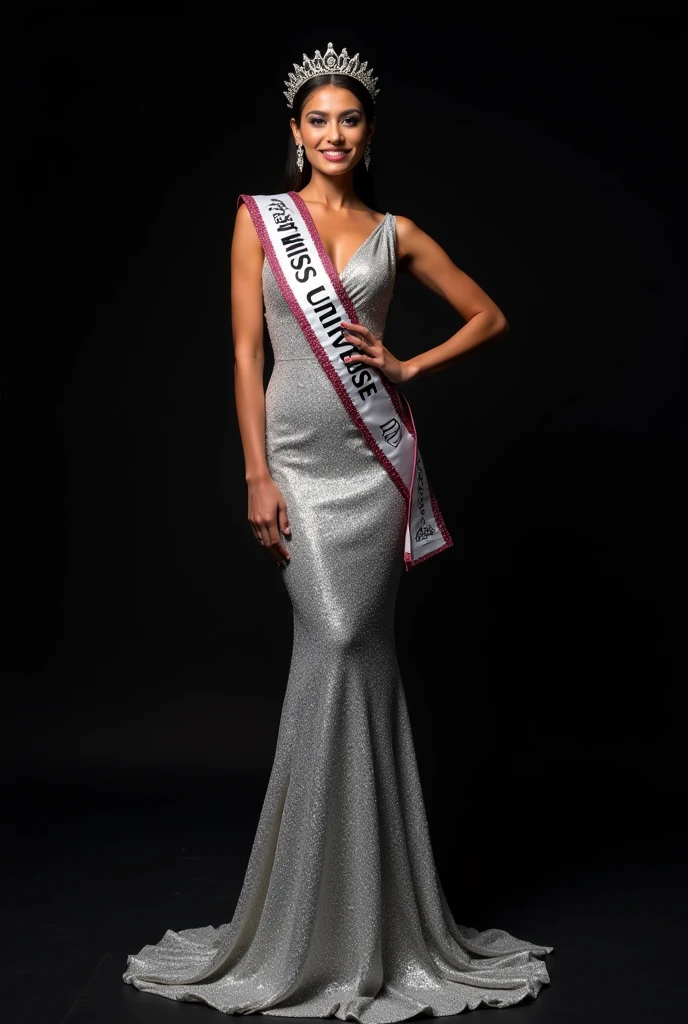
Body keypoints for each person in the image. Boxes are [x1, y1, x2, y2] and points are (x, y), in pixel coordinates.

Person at [123, 42, 553, 1021]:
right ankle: (303, 918)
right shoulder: (259, 224)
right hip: (299, 473)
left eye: (348, 120)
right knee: (332, 646)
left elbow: (487, 315)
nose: (332, 134)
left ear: (366, 133)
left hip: (372, 469)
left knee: (359, 652)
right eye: (316, 120)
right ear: (293, 131)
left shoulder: (393, 232)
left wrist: (409, 366)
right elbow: (243, 354)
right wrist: (256, 474)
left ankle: (378, 916)